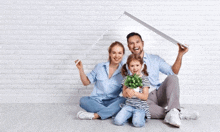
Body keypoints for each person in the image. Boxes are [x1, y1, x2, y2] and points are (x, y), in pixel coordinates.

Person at [122, 32, 199, 127]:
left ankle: (174, 111)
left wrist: (180, 54)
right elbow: (124, 84)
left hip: (158, 94)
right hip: (143, 99)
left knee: (173, 77)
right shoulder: (126, 63)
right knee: (143, 110)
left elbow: (173, 72)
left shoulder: (155, 59)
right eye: (131, 43)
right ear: (128, 47)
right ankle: (177, 112)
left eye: (137, 42)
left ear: (142, 43)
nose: (135, 45)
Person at [75, 41, 126, 120]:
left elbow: (125, 93)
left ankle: (96, 115)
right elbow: (85, 82)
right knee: (83, 100)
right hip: (96, 101)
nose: (117, 56)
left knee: (124, 100)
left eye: (120, 53)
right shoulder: (100, 67)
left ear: (123, 55)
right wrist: (81, 69)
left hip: (112, 102)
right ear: (109, 53)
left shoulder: (124, 72)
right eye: (114, 53)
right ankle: (111, 113)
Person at [113, 54, 150, 127]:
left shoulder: (145, 79)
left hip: (140, 107)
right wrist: (127, 91)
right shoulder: (127, 79)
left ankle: (139, 117)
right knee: (117, 121)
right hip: (129, 106)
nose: (135, 68)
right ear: (128, 67)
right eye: (132, 66)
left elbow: (145, 97)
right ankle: (130, 116)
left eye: (137, 65)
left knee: (137, 124)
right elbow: (124, 94)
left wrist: (135, 93)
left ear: (141, 65)